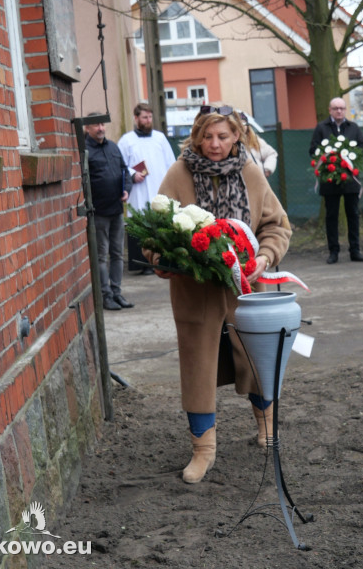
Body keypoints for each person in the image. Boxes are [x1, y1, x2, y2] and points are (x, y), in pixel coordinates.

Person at [148, 105, 292, 484]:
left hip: (245, 288)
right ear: (196, 136)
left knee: (256, 358)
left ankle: (266, 425)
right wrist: (163, 257)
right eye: (207, 136)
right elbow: (155, 231)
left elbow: (276, 226)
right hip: (194, 293)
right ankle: (203, 450)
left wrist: (264, 255)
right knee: (197, 367)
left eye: (223, 137)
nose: (214, 144)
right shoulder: (178, 173)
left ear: (237, 138)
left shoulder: (251, 172)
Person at [309, 97, 363, 263]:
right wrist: (328, 158)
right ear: (330, 110)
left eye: (342, 108)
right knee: (331, 216)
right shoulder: (321, 128)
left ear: (345, 110)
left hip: (350, 179)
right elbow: (313, 149)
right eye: (335, 108)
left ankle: (355, 250)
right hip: (330, 179)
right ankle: (333, 251)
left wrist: (351, 154)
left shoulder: (353, 128)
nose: (339, 111)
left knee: (353, 215)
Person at [118, 103, 176, 274]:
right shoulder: (126, 141)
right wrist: (131, 174)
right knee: (140, 224)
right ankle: (143, 265)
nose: (148, 120)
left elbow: (170, 163)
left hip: (159, 189)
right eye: (144, 117)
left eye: (150, 117)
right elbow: (120, 165)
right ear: (136, 119)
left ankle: (162, 261)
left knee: (161, 225)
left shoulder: (160, 138)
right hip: (139, 192)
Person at [84, 118, 134, 311]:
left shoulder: (113, 147)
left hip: (116, 211)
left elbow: (124, 171)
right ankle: (105, 296)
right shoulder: (85, 152)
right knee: (101, 256)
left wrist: (126, 189)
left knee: (117, 254)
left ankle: (116, 292)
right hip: (99, 213)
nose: (101, 128)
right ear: (87, 128)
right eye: (96, 125)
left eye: (103, 125)